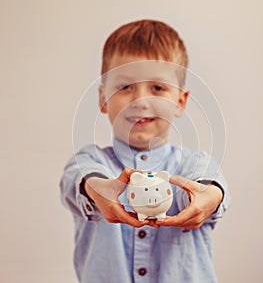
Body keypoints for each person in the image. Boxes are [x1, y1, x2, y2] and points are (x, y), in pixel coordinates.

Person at [60, 19, 230, 283]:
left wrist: (208, 197)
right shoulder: (91, 161)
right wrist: (95, 189)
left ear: (180, 101)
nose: (140, 101)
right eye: (125, 87)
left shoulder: (195, 165)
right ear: (103, 98)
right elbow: (76, 181)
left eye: (158, 88)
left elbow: (212, 186)